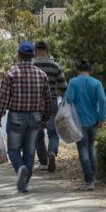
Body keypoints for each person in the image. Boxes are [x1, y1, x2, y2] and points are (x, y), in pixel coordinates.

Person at [0, 42, 52, 193]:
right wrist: (45, 118)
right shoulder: (41, 74)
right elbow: (47, 99)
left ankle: (21, 168)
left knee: (13, 150)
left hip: (16, 116)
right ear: (33, 56)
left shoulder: (11, 73)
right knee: (30, 151)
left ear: (19, 55)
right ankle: (25, 181)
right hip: (35, 117)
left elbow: (3, 98)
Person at [65, 60, 106, 191]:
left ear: (77, 70)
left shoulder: (73, 82)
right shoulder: (96, 83)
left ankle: (89, 181)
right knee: (91, 149)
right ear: (90, 71)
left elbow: (68, 99)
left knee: (83, 151)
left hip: (79, 122)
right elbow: (103, 101)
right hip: (94, 121)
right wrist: (101, 118)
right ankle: (93, 177)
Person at [32, 41, 67, 172]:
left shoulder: (31, 65)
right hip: (51, 102)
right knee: (53, 132)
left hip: (35, 104)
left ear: (35, 51)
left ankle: (43, 162)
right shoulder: (55, 66)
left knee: (37, 134)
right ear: (48, 51)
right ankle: (52, 151)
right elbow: (64, 87)